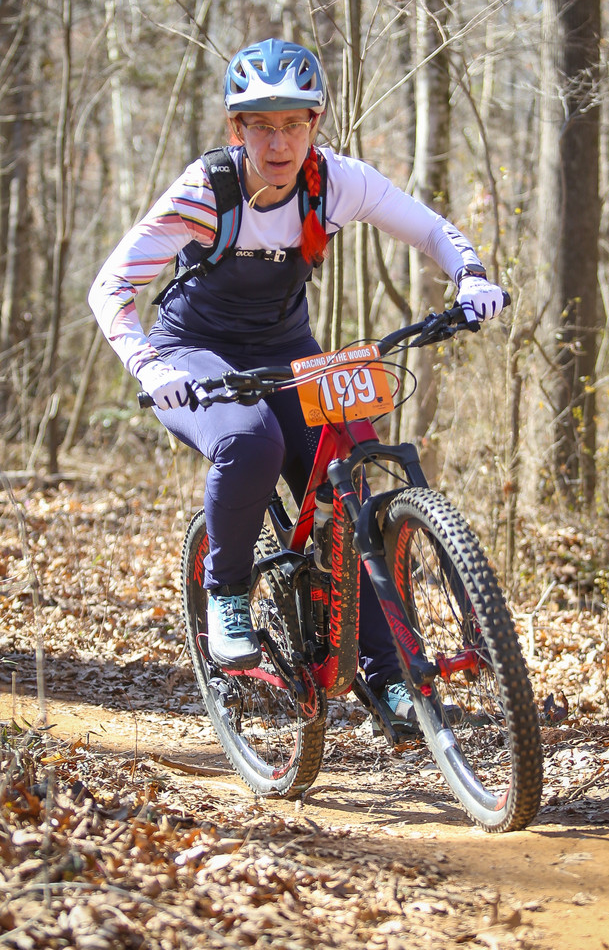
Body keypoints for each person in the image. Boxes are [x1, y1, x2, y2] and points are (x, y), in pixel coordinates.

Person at [89, 38, 504, 732]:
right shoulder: (206, 192)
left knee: (350, 475)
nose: (278, 143)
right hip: (194, 352)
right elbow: (111, 287)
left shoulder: (336, 182)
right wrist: (149, 366)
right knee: (251, 442)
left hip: (287, 352)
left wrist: (471, 275)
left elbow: (431, 230)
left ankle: (386, 674)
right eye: (260, 126)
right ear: (236, 128)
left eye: (292, 124)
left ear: (315, 124)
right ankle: (228, 594)